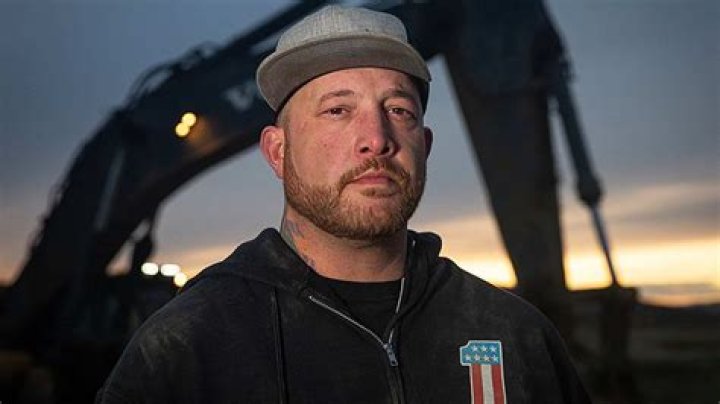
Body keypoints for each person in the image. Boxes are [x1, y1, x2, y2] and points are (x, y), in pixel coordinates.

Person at [96, 5, 590, 403]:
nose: (376, 138)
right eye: (337, 110)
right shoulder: (186, 349)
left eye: (398, 110)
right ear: (277, 151)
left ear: (424, 146)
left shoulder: (514, 336)